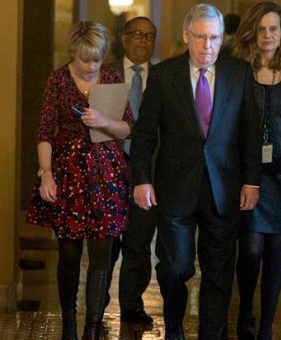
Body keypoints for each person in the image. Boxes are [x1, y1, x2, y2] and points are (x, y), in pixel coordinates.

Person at [130, 3, 261, 339]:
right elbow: (145, 134)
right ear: (186, 36)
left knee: (218, 272)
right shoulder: (164, 75)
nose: (208, 46)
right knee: (175, 268)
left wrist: (251, 180)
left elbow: (250, 133)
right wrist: (142, 178)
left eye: (215, 38)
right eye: (201, 38)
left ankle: (211, 335)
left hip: (224, 187)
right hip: (175, 187)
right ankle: (174, 328)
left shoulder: (239, 73)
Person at [25, 21, 133, 340]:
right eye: (85, 59)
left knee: (103, 253)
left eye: (96, 59)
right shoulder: (58, 79)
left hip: (106, 173)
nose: (91, 66)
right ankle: (69, 325)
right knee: (69, 254)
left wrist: (103, 121)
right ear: (74, 53)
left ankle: (92, 327)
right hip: (68, 172)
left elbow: (128, 128)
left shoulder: (112, 78)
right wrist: (46, 173)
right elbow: (45, 133)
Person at [231, 2, 281, 340]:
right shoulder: (239, 71)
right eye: (262, 29)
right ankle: (246, 309)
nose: (268, 35)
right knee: (251, 250)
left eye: (273, 29)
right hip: (250, 175)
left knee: (275, 252)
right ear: (252, 33)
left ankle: (267, 326)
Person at [106, 16, 158, 326]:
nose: (142, 40)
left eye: (149, 36)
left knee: (139, 242)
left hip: (148, 170)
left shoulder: (165, 75)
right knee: (108, 241)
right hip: (112, 166)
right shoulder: (107, 73)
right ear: (124, 38)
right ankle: (98, 301)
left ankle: (131, 305)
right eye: (136, 34)